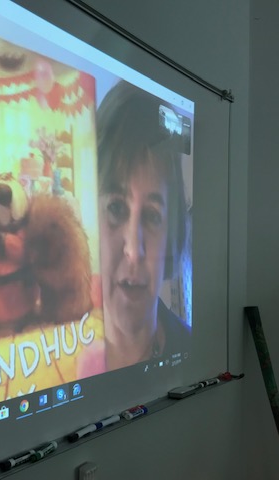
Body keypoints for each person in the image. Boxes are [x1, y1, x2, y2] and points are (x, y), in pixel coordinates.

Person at [80, 80, 190, 375]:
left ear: (171, 234)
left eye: (152, 216)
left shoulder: (194, 355)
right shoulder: (57, 362)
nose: (133, 249)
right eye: (116, 208)